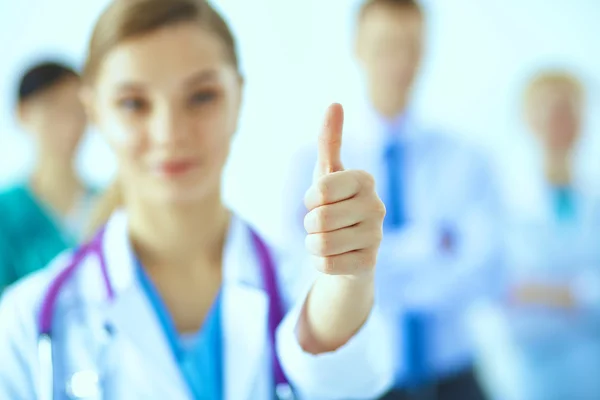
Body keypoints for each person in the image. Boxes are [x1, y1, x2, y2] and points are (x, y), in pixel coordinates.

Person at [0, 1, 395, 399]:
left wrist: (347, 281)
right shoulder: (24, 323)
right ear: (95, 113)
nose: (170, 132)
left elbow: (353, 379)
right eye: (133, 103)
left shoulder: (300, 286)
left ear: (238, 98)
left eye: (201, 96)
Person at [283, 1, 503, 399]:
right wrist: (432, 245)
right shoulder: (316, 168)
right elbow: (304, 276)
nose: (399, 61)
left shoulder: (468, 160)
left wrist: (373, 267)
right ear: (358, 47)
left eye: (411, 46)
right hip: (368, 386)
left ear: (425, 50)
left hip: (457, 379)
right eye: (385, 45)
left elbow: (487, 274)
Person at [467, 69, 600, 400]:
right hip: (532, 381)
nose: (560, 121)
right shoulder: (503, 206)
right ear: (527, 121)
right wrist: (585, 294)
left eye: (570, 110)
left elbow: (524, 292)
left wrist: (548, 293)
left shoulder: (593, 202)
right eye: (549, 110)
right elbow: (506, 303)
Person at [0, 61, 95, 293]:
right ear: (22, 114)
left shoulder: (111, 205)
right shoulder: (7, 211)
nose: (70, 124)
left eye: (78, 110)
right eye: (54, 109)